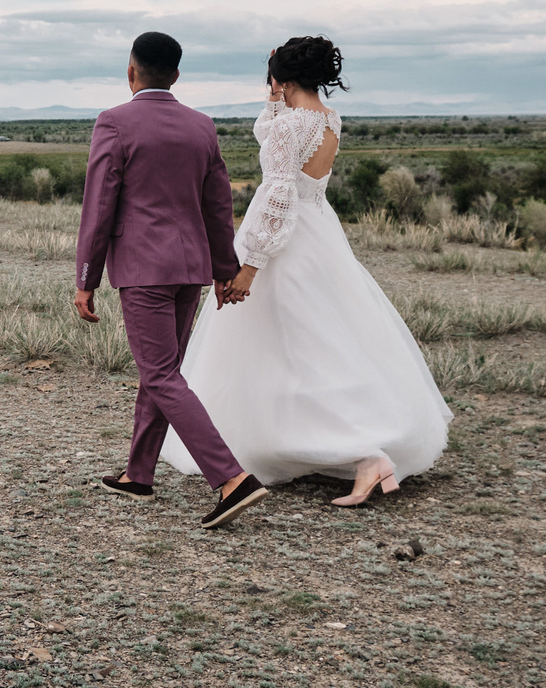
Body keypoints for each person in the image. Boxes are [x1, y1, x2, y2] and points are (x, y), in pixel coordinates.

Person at [161, 35, 450, 503]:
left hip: (284, 242)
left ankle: (364, 455)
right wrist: (277, 101)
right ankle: (355, 445)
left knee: (297, 347)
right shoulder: (327, 118)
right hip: (318, 231)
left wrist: (251, 265)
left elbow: (277, 195)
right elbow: (279, 146)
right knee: (323, 338)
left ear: (282, 78)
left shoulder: (291, 126)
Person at [73, 31, 271, 530]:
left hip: (143, 271)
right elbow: (217, 207)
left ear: (130, 71)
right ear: (177, 75)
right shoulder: (202, 126)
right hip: (190, 271)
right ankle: (139, 474)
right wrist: (224, 271)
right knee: (160, 370)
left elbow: (99, 207)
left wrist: (85, 278)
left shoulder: (113, 122)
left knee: (160, 374)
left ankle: (230, 479)